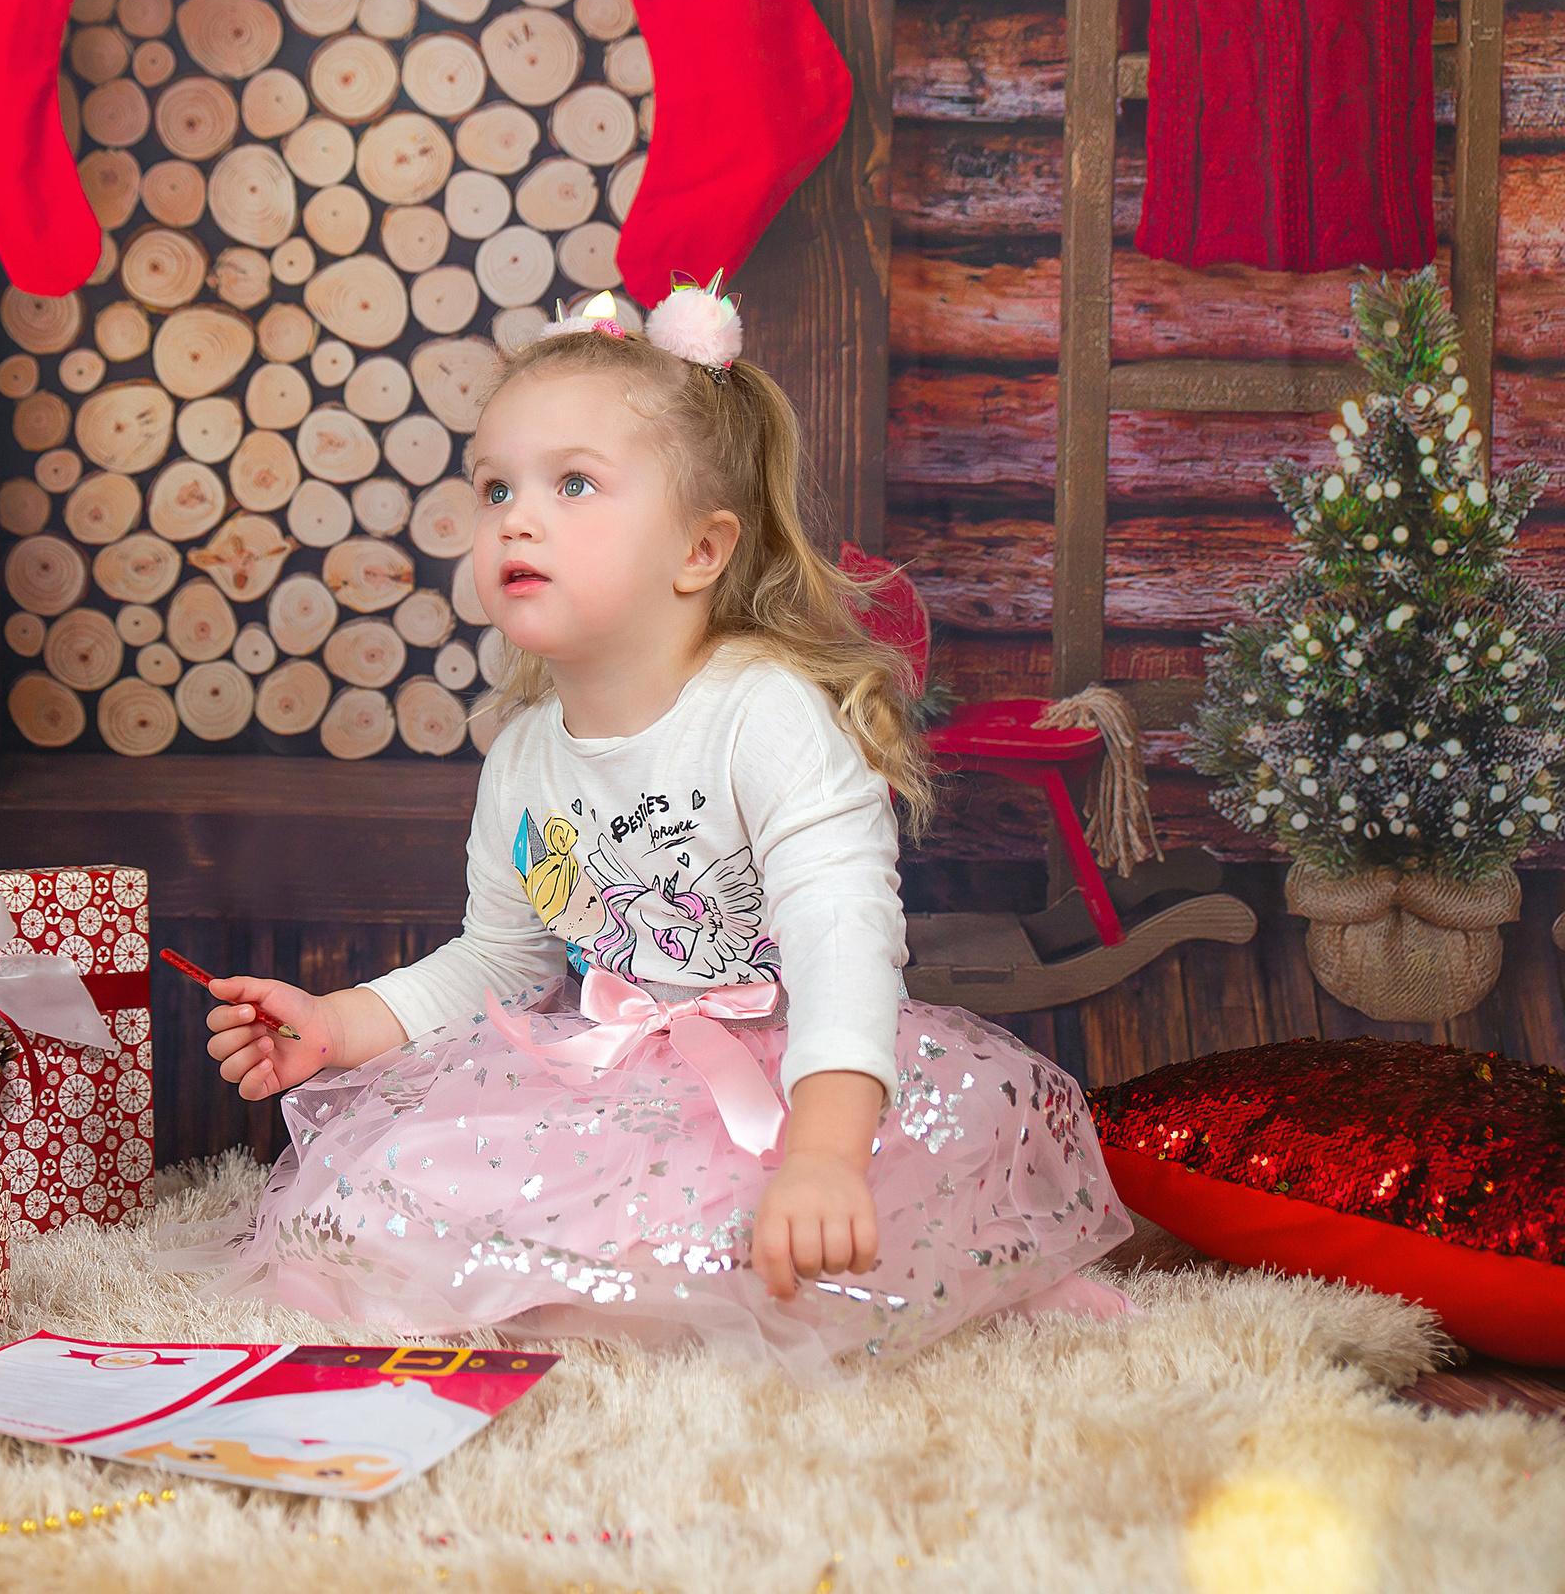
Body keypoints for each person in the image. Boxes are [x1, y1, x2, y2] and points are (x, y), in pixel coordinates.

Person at [163, 288, 1132, 1384]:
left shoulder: (758, 712)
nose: (515, 519)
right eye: (495, 488)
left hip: (791, 1073)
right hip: (605, 1075)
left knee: (792, 1241)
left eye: (571, 483)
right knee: (367, 1208)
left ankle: (927, 1264)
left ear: (698, 548)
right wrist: (337, 1025)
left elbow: (838, 939)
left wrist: (821, 1153)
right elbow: (500, 963)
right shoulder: (525, 756)